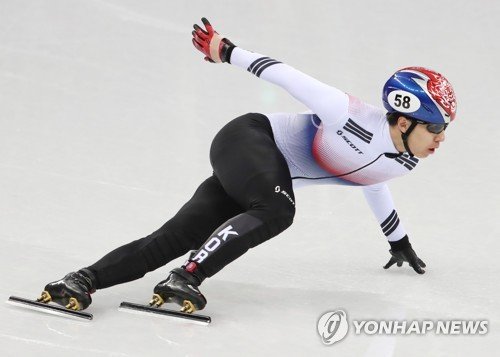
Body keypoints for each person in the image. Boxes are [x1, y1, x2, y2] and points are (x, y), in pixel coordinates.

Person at [37, 18, 457, 313]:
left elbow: (373, 182)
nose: (441, 138)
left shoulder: (403, 161)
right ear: (403, 120)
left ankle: (80, 280)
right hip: (248, 139)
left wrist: (397, 240)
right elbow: (289, 77)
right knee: (279, 210)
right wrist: (228, 51)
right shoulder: (347, 113)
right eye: (436, 127)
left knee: (174, 236)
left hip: (258, 177)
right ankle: (187, 277)